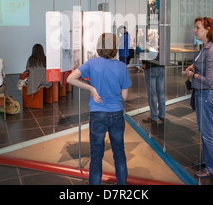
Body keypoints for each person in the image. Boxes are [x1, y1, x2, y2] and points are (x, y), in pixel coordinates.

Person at [67, 33, 132, 185]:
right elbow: (125, 97)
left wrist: (90, 88)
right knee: (119, 153)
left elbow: (70, 78)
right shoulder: (122, 67)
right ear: (115, 48)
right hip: (116, 114)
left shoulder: (91, 63)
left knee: (96, 156)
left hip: (97, 114)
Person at [183, 17, 213, 178]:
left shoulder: (212, 51)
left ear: (207, 29)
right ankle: (209, 161)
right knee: (205, 130)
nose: (195, 30)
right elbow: (202, 66)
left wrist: (194, 74)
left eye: (198, 27)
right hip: (203, 94)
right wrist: (193, 67)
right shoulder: (206, 48)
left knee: (209, 132)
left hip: (208, 93)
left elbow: (209, 80)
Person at [141, 57, 166, 124]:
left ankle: (153, 117)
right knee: (161, 93)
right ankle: (162, 115)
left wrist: (144, 63)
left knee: (152, 94)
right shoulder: (161, 45)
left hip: (150, 67)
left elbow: (145, 50)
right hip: (160, 67)